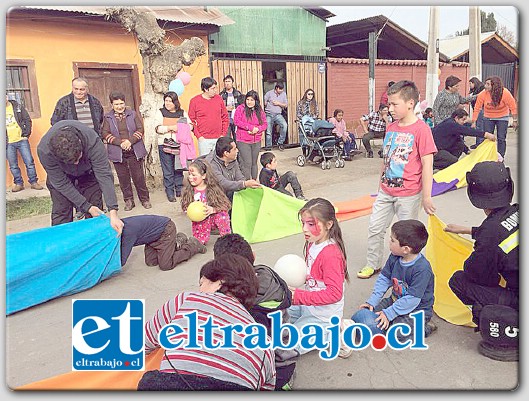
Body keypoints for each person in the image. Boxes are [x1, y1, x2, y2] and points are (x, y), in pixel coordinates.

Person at [138, 254, 276, 391]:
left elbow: (140, 344)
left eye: (202, 283)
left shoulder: (187, 301)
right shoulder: (265, 346)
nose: (200, 290)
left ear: (219, 282)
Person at [357, 80, 437, 279]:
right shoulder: (391, 128)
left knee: (405, 237)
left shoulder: (422, 130)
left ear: (410, 103)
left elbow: (428, 165)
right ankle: (373, 264)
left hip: (409, 194)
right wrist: (379, 186)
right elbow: (387, 160)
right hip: (385, 192)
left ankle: (405, 271)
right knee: (375, 228)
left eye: (394, 104)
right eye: (389, 104)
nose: (390, 109)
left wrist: (426, 196)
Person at [212, 233, 297, 391]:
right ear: (253, 257)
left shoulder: (247, 308)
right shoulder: (267, 274)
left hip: (276, 373)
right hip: (285, 362)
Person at [445, 161, 518, 326]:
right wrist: (468, 230)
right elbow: (506, 232)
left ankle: (492, 320)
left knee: (459, 280)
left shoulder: (490, 233)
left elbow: (478, 275)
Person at [352, 219, 436, 342]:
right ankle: (390, 321)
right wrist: (372, 302)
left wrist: (389, 313)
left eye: (392, 240)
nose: (389, 242)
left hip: (417, 309)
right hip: (394, 301)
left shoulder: (422, 269)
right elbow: (384, 279)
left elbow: (412, 300)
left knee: (396, 333)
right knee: (370, 313)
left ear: (406, 249)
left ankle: (424, 327)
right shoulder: (395, 256)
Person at [37, 120, 123, 234]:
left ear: (80, 145)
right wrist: (85, 206)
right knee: (61, 212)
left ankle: (93, 241)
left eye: (78, 158)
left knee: (95, 211)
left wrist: (113, 212)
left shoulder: (93, 142)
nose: (76, 163)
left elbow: (104, 175)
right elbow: (61, 184)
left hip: (89, 173)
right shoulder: (44, 151)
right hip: (62, 176)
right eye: (72, 161)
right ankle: (63, 245)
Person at [288, 198, 349, 355]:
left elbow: (335, 294)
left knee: (286, 350)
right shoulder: (312, 243)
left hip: (323, 317)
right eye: (303, 223)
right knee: (274, 316)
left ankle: (336, 331)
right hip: (308, 305)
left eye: (311, 224)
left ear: (329, 225)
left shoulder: (331, 254)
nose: (304, 229)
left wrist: (299, 296)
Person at [101, 91, 151, 211]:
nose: (119, 106)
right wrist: (121, 143)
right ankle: (128, 201)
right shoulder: (108, 117)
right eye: (116, 104)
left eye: (121, 103)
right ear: (112, 105)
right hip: (118, 152)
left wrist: (130, 141)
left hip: (134, 150)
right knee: (123, 178)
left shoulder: (132, 114)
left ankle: (145, 199)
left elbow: (140, 129)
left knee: (138, 176)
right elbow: (105, 133)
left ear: (125, 103)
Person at [120, 215, 206, 270]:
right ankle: (177, 242)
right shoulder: (117, 227)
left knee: (165, 265)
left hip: (166, 230)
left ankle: (193, 245)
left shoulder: (127, 233)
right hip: (152, 237)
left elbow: (121, 260)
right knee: (151, 262)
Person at [181, 159, 232, 245]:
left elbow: (226, 205)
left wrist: (213, 210)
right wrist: (188, 210)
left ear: (204, 176)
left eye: (193, 175)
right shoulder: (189, 190)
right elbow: (185, 206)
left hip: (213, 218)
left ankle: (227, 239)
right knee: (200, 243)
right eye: (189, 174)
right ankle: (200, 240)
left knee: (222, 215)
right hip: (200, 220)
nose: (190, 177)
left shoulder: (212, 189)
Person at [154, 91, 194, 202]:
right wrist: (170, 128)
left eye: (170, 101)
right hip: (165, 144)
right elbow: (157, 128)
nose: (167, 103)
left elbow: (190, 126)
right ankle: (170, 191)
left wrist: (180, 128)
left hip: (179, 144)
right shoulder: (160, 113)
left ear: (175, 102)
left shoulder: (182, 113)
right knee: (168, 169)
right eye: (166, 101)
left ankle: (179, 189)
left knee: (178, 168)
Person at [471, 76, 518, 159]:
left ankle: (500, 157)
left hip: (502, 117)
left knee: (501, 138)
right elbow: (477, 107)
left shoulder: (505, 93)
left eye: (488, 84)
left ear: (494, 85)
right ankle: (489, 156)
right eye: (485, 83)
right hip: (488, 117)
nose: (485, 86)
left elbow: (513, 106)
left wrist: (515, 120)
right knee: (488, 138)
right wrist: (474, 121)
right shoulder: (483, 94)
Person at [205, 136, 261, 203]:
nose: (237, 151)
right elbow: (223, 183)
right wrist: (244, 184)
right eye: (234, 149)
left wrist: (250, 184)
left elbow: (239, 176)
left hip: (230, 194)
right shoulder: (212, 164)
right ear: (226, 153)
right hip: (216, 199)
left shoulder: (232, 159)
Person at [6, 94, 44, 192]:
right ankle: (19, 183)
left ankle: (33, 182)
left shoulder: (17, 107)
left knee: (29, 162)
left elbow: (27, 119)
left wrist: (26, 134)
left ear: (6, 97)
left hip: (21, 139)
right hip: (7, 142)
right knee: (13, 165)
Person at [188, 77, 229, 156]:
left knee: (218, 163)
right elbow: (191, 121)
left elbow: (225, 117)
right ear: (206, 89)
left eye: (215, 88)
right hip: (204, 139)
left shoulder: (219, 99)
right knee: (205, 164)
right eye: (213, 88)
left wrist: (222, 134)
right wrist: (199, 136)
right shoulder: (194, 101)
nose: (215, 90)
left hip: (218, 138)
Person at [233, 90, 267, 180]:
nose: (249, 102)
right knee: (247, 163)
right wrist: (250, 127)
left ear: (256, 101)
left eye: (252, 100)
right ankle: (246, 184)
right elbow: (236, 121)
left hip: (256, 140)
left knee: (254, 163)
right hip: (243, 140)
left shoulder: (259, 110)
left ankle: (254, 182)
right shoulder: (240, 108)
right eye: (247, 99)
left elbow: (264, 124)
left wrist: (257, 129)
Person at [264, 82, 288, 151]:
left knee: (284, 125)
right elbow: (264, 102)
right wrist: (267, 103)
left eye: (282, 89)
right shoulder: (269, 93)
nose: (281, 90)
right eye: (280, 89)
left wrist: (278, 103)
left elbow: (286, 105)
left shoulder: (283, 94)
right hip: (269, 114)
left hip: (278, 115)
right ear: (276, 88)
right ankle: (269, 147)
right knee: (268, 131)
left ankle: (280, 143)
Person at [219, 75, 243, 143]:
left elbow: (242, 105)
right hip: (226, 118)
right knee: (227, 138)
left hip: (236, 117)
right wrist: (225, 108)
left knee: (237, 137)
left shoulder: (238, 93)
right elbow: (218, 107)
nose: (227, 83)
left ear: (232, 82)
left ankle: (238, 152)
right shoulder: (221, 95)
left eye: (229, 81)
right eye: (226, 81)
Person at [468, 77, 486, 149]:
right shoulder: (475, 89)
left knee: (479, 126)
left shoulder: (481, 89)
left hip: (480, 109)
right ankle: (478, 142)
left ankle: (479, 143)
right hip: (476, 109)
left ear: (474, 83)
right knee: (479, 126)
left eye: (470, 84)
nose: (469, 85)